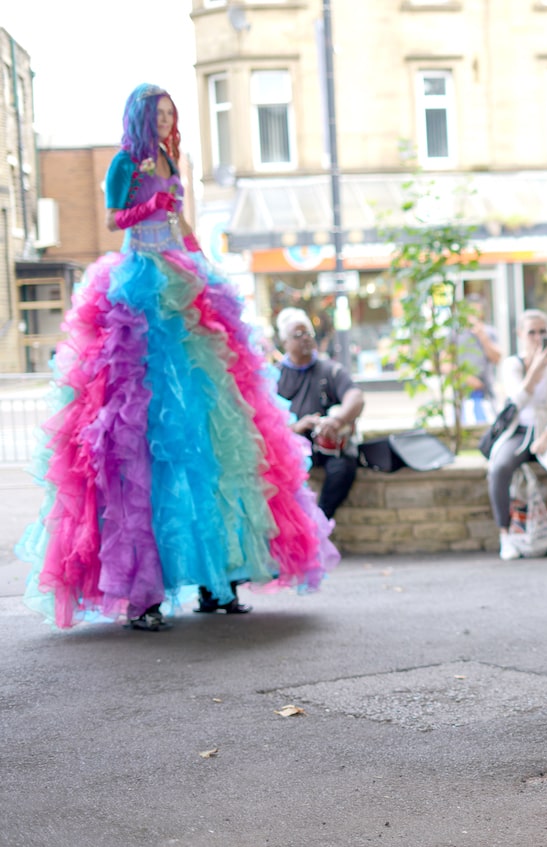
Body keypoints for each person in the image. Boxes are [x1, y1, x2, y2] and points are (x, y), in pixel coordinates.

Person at [16, 84, 338, 632]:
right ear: (141, 117)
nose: (167, 122)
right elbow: (118, 218)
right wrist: (151, 203)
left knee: (215, 437)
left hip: (182, 287)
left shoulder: (170, 158)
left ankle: (220, 582)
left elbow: (184, 225)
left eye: (171, 114)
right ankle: (143, 596)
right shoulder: (124, 161)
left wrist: (206, 269)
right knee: (142, 450)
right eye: (159, 114)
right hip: (141, 290)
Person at [488, 310, 547, 560]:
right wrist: (534, 370)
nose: (538, 337)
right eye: (532, 332)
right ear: (520, 335)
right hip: (518, 432)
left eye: (543, 332)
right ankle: (505, 535)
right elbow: (516, 401)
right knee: (499, 468)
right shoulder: (511, 365)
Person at [276, 308, 366, 521]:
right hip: (292, 449)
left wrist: (337, 420)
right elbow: (263, 424)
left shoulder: (330, 369)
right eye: (298, 335)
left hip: (325, 449)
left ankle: (320, 521)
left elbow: (356, 396)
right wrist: (296, 427)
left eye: (308, 333)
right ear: (285, 343)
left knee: (343, 467)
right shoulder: (275, 376)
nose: (305, 338)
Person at [455, 297, 503, 426]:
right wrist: (465, 377)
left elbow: (497, 358)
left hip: (486, 392)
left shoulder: (490, 332)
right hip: (462, 394)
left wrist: (482, 336)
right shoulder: (456, 333)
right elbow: (444, 364)